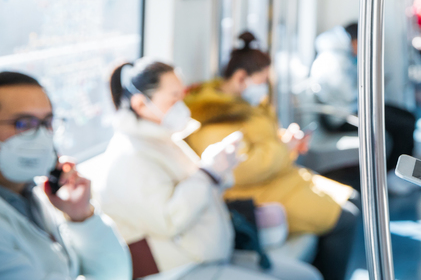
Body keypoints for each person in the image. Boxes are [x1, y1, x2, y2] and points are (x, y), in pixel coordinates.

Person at [95, 59, 321, 280]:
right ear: (140, 104)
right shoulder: (129, 157)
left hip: (209, 255)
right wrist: (209, 172)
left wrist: (221, 168)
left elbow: (197, 189)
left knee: (308, 276)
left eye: (182, 96)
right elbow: (170, 220)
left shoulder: (163, 140)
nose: (182, 106)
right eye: (174, 99)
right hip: (180, 269)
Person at [185, 32, 358, 280]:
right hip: (251, 194)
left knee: (353, 198)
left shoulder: (243, 105)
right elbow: (242, 167)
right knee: (345, 218)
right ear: (241, 78)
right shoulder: (214, 118)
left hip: (276, 179)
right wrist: (284, 148)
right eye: (262, 80)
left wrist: (287, 139)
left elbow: (262, 139)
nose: (264, 87)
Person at [0, 71, 130, 280]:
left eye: (47, 123)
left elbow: (115, 273)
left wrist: (80, 215)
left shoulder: (35, 195)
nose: (42, 136)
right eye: (24, 124)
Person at [310, 23, 417, 185]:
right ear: (353, 40)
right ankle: (393, 174)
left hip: (353, 109)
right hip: (344, 118)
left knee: (407, 116)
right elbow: (349, 94)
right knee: (404, 124)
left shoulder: (339, 57)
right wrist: (372, 88)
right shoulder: (332, 61)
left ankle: (398, 170)